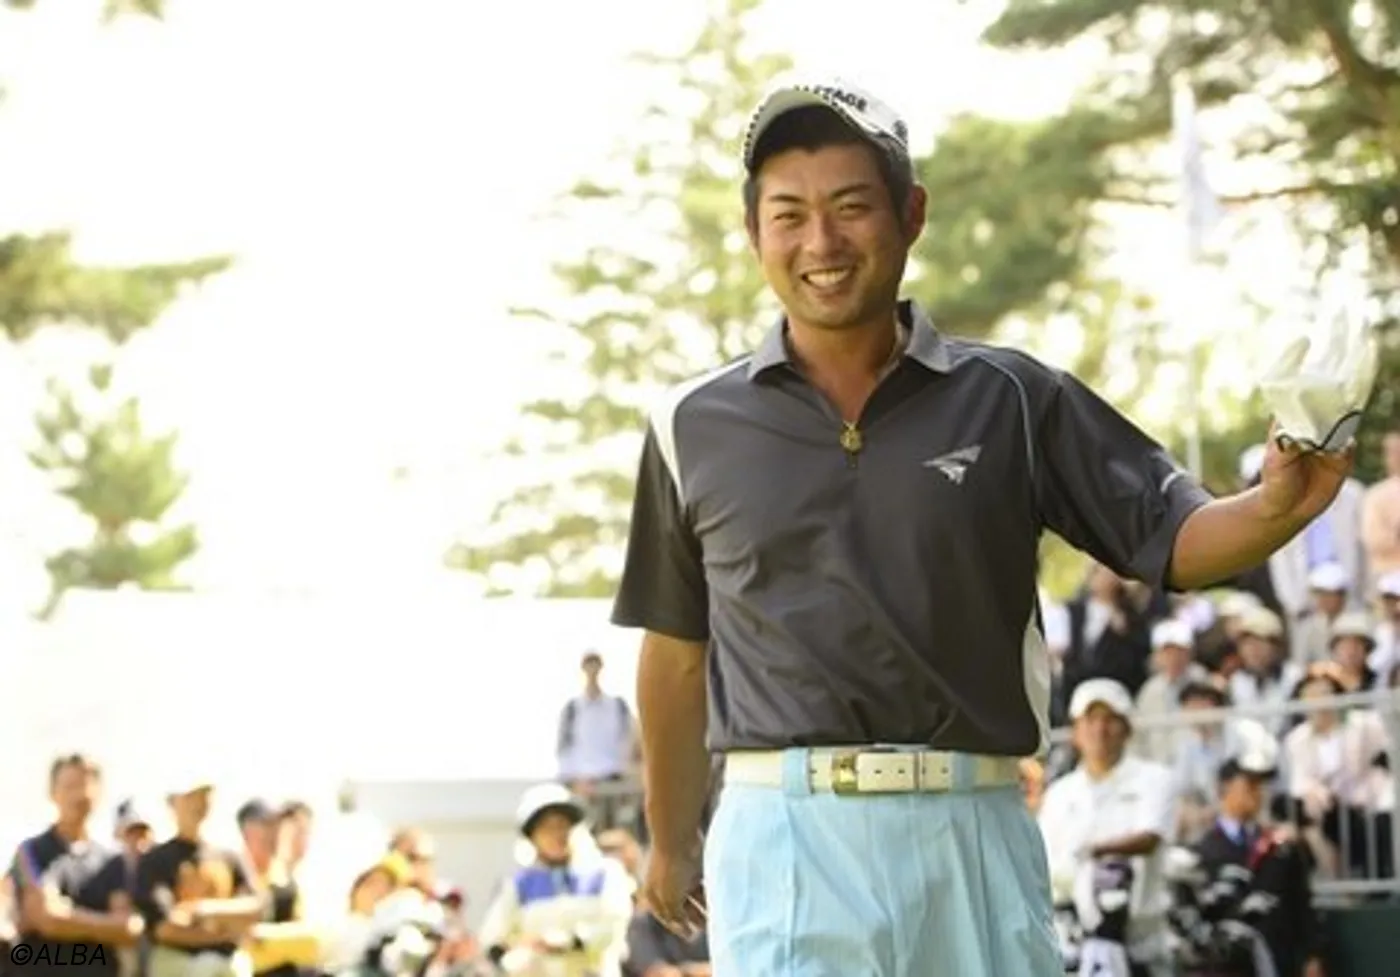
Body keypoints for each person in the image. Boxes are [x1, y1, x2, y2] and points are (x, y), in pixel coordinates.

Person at [610, 71, 1361, 977]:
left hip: (973, 828)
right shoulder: (690, 423)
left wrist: (1279, 505)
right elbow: (674, 651)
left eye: (851, 206)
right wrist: (670, 838)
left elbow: (1173, 537)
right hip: (785, 839)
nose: (821, 242)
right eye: (789, 214)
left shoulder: (1012, 397)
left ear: (911, 213)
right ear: (752, 231)